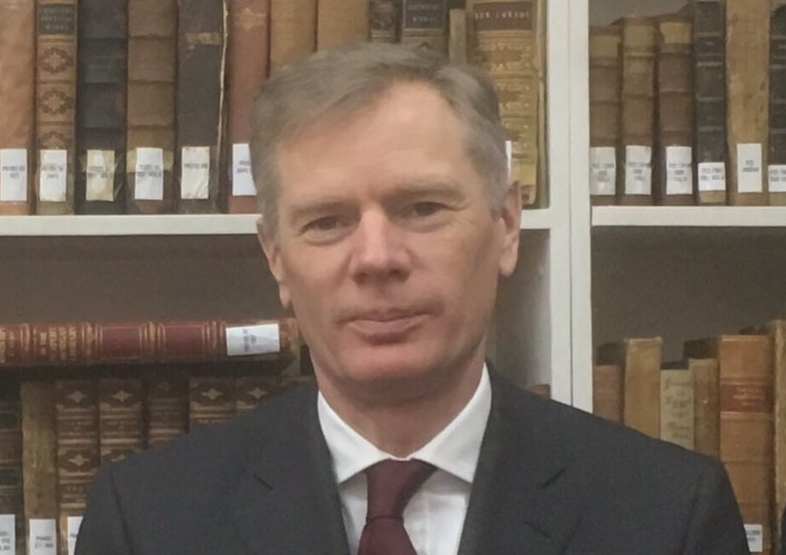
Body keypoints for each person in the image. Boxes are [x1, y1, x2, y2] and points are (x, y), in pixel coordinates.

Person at [75, 43, 749, 555]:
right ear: (276, 256)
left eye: (422, 208)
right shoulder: (147, 521)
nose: (377, 258)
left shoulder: (668, 515)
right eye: (327, 222)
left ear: (506, 225)